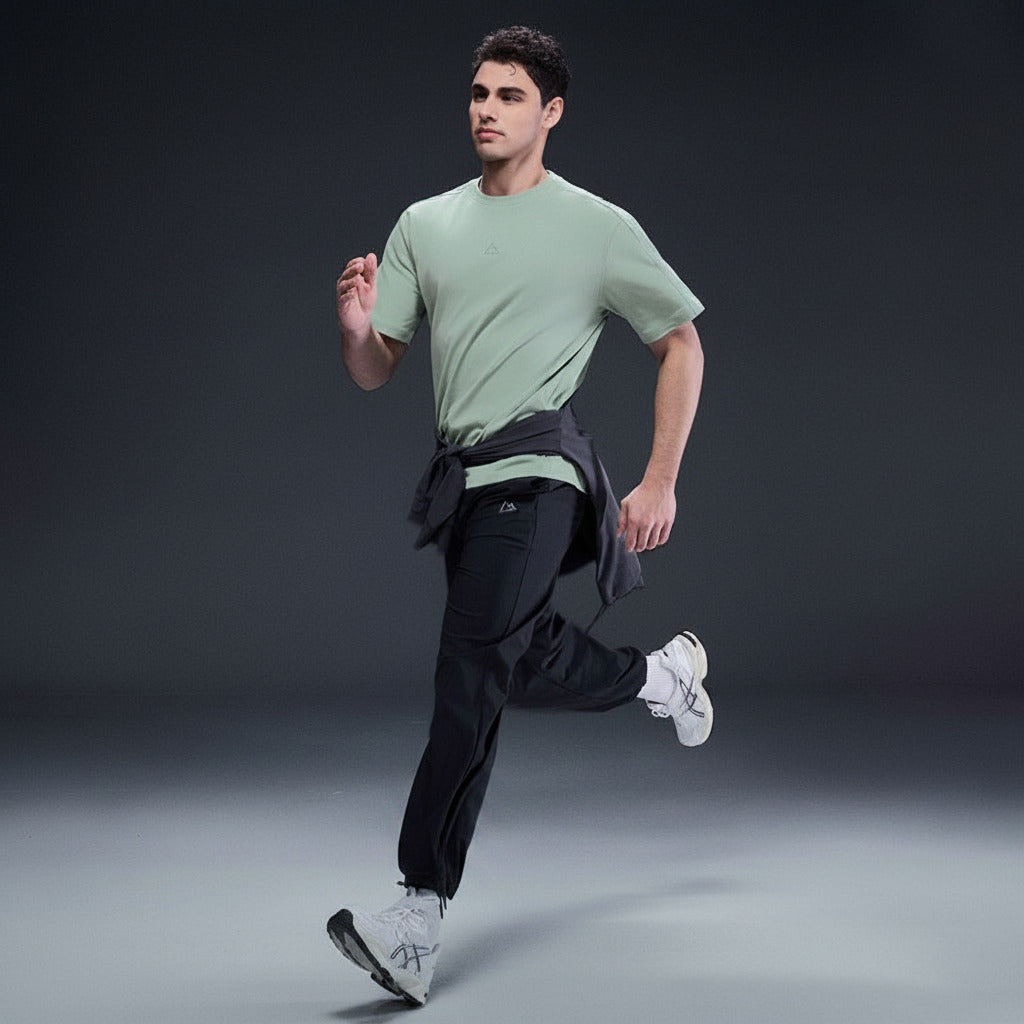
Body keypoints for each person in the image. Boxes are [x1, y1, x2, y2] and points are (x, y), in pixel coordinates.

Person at [326, 25, 712, 1007]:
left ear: (551, 112)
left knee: (467, 674)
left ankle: (416, 914)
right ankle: (658, 676)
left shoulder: (596, 227)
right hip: (464, 487)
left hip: (541, 478)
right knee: (505, 658)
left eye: (509, 95)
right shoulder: (425, 225)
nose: (486, 109)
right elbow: (376, 370)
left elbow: (681, 343)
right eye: (478, 92)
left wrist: (659, 479)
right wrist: (358, 331)